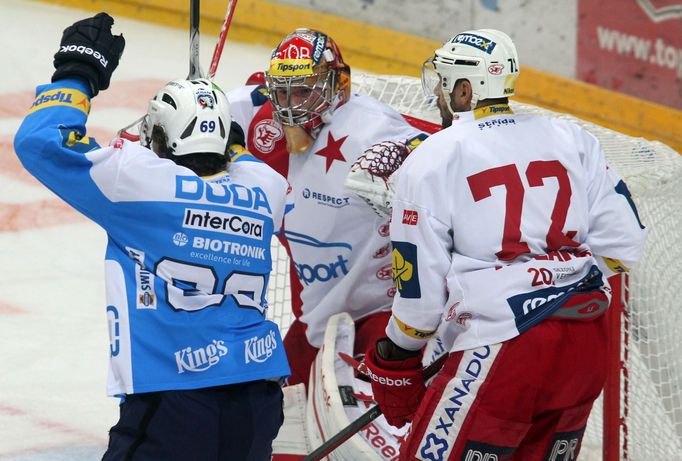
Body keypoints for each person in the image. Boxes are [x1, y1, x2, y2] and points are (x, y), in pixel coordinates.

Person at [358, 29, 648, 460]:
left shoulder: (434, 157)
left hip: (505, 354)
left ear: (464, 88)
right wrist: (554, 281)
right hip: (586, 341)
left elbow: (421, 302)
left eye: (442, 83)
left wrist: (396, 354)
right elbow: (625, 245)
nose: (437, 94)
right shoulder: (572, 139)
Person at [14, 13, 291, 461]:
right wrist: (215, 119)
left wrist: (77, 73)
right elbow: (234, 154)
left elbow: (42, 142)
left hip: (176, 399)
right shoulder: (265, 189)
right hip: (257, 398)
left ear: (161, 137)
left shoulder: (137, 183)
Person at [227, 28, 429, 387]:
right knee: (272, 409)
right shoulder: (257, 113)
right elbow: (182, 123)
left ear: (339, 84)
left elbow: (443, 159)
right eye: (284, 90)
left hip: (381, 314)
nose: (291, 104)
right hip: (318, 315)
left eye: (305, 89)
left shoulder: (373, 130)